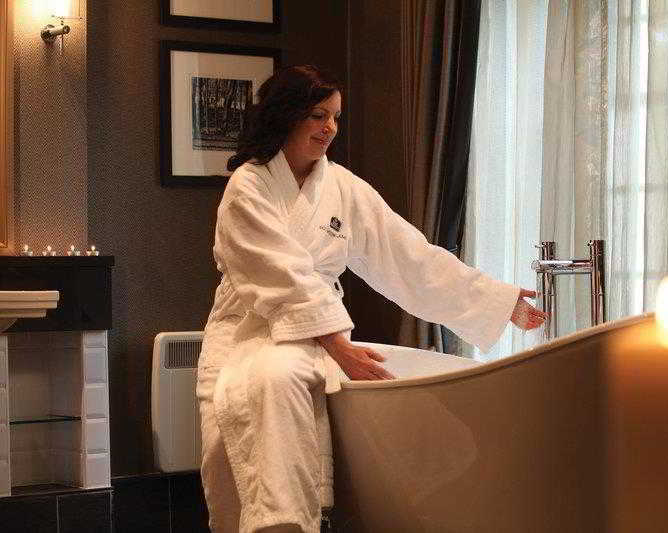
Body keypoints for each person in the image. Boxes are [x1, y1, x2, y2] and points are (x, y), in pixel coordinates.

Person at [196, 65, 547, 533]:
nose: (329, 128)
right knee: (255, 396)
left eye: (336, 117)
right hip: (248, 327)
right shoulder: (249, 185)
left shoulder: (341, 186)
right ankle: (276, 522)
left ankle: (305, 520)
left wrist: (496, 299)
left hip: (313, 331)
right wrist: (338, 346)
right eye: (318, 115)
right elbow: (283, 273)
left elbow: (409, 256)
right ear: (287, 115)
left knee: (311, 383)